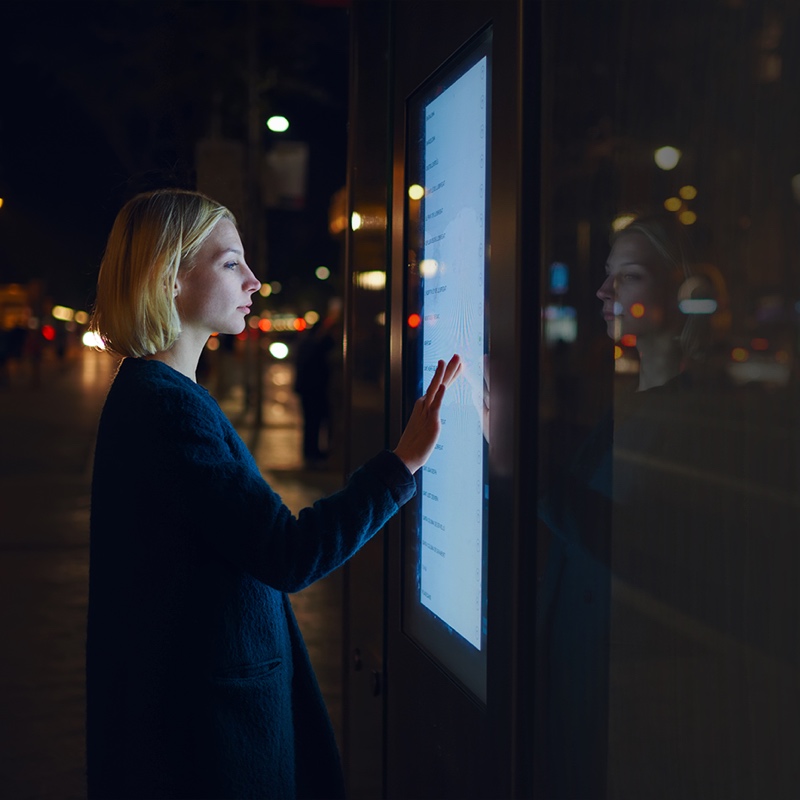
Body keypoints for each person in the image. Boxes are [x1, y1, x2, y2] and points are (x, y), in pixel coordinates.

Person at [85, 188, 461, 800]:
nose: (255, 281)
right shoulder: (167, 407)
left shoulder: (153, 394)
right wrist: (402, 463)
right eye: (231, 263)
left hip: (192, 719)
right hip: (210, 739)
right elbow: (289, 553)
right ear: (169, 277)